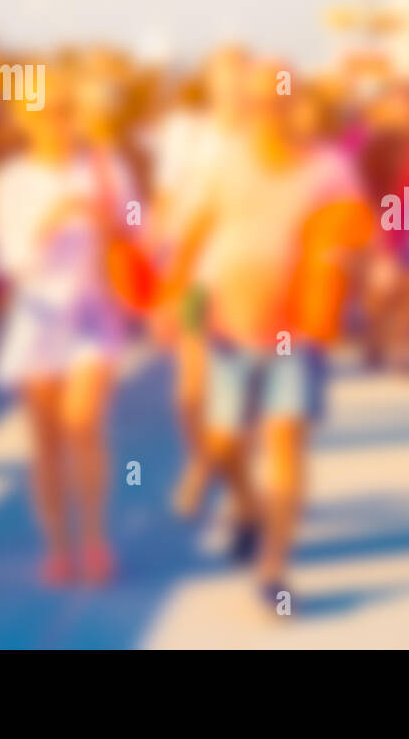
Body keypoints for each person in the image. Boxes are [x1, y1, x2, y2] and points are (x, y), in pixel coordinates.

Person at [164, 59, 369, 612]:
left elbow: (358, 233)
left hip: (297, 332)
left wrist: (354, 264)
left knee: (285, 440)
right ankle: (249, 508)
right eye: (256, 103)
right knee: (225, 443)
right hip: (230, 325)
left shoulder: (329, 167)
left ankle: (273, 569)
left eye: (278, 102)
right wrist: (171, 298)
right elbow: (194, 232)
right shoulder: (225, 161)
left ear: (296, 103)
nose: (266, 113)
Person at [0, 55, 133, 585]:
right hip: (38, 315)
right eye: (45, 111)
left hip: (94, 312)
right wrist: (49, 225)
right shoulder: (11, 181)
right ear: (23, 118)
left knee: (83, 422)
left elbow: (137, 228)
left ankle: (94, 537)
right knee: (45, 438)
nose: (57, 120)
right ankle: (57, 543)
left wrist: (111, 221)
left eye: (65, 109)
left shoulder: (105, 166)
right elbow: (7, 262)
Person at [148, 46, 247, 518]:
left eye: (239, 78)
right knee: (189, 393)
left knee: (237, 393)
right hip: (192, 275)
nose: (231, 88)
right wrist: (159, 282)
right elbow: (166, 205)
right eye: (222, 78)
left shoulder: (262, 139)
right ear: (208, 83)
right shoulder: (186, 136)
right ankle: (202, 462)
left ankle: (233, 489)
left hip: (245, 279)